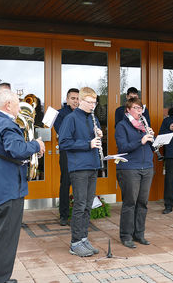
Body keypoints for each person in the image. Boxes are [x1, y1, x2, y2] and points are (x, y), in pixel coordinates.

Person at [0, 89, 44, 283]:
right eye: (17, 104)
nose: (19, 108)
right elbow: (16, 150)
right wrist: (36, 145)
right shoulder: (7, 124)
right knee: (6, 238)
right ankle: (0, 279)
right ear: (8, 105)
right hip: (9, 189)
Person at [59, 87, 103, 257]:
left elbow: (94, 138)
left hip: (92, 165)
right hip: (79, 168)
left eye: (95, 102)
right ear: (81, 101)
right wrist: (88, 144)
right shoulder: (70, 119)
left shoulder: (93, 118)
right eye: (90, 102)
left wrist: (98, 134)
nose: (93, 105)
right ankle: (75, 242)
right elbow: (64, 143)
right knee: (79, 205)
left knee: (87, 205)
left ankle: (84, 238)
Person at [115, 98, 154, 248]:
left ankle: (139, 234)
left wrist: (153, 138)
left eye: (141, 108)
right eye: (137, 108)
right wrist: (141, 140)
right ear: (128, 110)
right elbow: (123, 147)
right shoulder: (122, 126)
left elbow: (150, 145)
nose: (140, 111)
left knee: (143, 203)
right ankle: (126, 235)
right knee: (130, 203)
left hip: (147, 167)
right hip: (129, 168)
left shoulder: (144, 125)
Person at [53, 88, 79, 226]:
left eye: (77, 98)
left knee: (79, 183)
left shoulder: (84, 113)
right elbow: (63, 133)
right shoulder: (59, 114)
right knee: (66, 183)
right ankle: (64, 215)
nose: (75, 101)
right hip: (67, 153)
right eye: (73, 98)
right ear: (67, 99)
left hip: (81, 153)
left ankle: (78, 214)